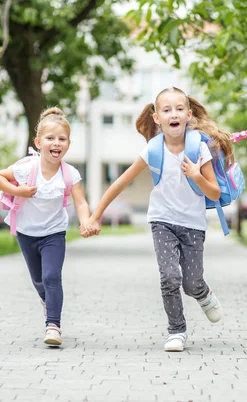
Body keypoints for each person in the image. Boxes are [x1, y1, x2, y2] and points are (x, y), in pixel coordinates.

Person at [81, 87, 232, 352]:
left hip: (193, 225)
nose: (173, 113)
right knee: (170, 277)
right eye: (166, 109)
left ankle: (203, 294)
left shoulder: (199, 147)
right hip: (162, 221)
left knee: (191, 282)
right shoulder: (153, 149)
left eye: (178, 109)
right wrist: (94, 216)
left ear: (188, 114)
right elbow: (120, 183)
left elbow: (215, 192)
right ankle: (176, 330)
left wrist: (196, 175)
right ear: (157, 118)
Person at [0, 107, 92, 346]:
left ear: (68, 144)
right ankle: (47, 302)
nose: (56, 143)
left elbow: (80, 201)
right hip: (26, 233)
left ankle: (53, 326)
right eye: (50, 138)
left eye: (62, 139)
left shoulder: (70, 174)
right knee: (38, 280)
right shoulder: (27, 169)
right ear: (38, 143)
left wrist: (86, 221)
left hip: (54, 233)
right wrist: (18, 191)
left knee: (51, 277)